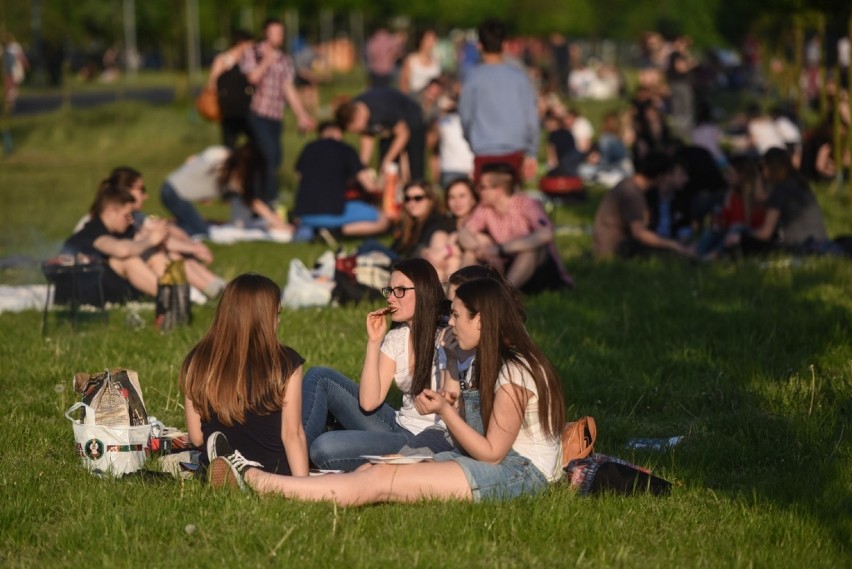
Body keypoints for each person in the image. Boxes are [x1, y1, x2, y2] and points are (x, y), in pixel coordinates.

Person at [208, 277, 566, 505]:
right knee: (367, 471)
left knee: (380, 481)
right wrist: (454, 365)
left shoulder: (514, 371)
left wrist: (442, 411)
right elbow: (460, 418)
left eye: (456, 315)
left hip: (519, 473)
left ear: (482, 321)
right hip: (493, 461)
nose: (450, 322)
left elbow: (490, 453)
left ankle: (256, 480)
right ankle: (263, 477)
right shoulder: (481, 360)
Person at [297, 258, 452, 472]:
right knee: (319, 376)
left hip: (424, 439)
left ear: (424, 291)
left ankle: (296, 463)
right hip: (398, 424)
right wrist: (374, 341)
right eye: (389, 290)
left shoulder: (447, 338)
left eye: (400, 290)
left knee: (324, 447)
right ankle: (290, 455)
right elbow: (369, 402)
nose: (390, 298)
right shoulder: (398, 337)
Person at [181, 273, 308, 477]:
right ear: (265, 319)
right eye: (277, 314)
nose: (279, 321)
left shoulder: (197, 359)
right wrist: (303, 483)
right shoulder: (285, 361)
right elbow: (292, 435)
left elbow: (196, 438)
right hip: (272, 473)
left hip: (214, 471)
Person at [458, 162, 572, 294]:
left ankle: (505, 294)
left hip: (541, 271)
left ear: (499, 190)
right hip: (507, 263)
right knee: (473, 245)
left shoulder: (526, 204)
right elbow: (465, 233)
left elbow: (546, 234)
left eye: (483, 187)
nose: (478, 190)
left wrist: (501, 249)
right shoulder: (485, 208)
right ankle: (460, 290)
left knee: (530, 249)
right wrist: (480, 249)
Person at [241, 18, 315, 207]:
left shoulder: (284, 59)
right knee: (269, 154)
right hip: (257, 113)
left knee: (275, 158)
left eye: (281, 33)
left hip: (276, 115)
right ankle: (267, 198)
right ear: (266, 33)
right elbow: (253, 78)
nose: (279, 36)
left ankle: (257, 196)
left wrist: (301, 115)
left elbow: (289, 89)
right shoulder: (253, 53)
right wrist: (266, 60)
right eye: (275, 32)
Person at [458, 18, 539, 185]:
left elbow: (465, 116)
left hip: (484, 149)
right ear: (505, 45)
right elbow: (531, 117)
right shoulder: (519, 77)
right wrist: (532, 152)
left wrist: (471, 138)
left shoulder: (473, 78)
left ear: (479, 45)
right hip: (515, 148)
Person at [62, 178, 169, 303]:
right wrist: (150, 240)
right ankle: (170, 298)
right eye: (127, 215)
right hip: (81, 291)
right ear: (110, 212)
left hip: (104, 286)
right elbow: (122, 250)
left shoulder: (120, 231)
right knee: (129, 260)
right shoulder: (93, 230)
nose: (130, 220)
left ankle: (179, 295)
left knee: (154, 255)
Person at [159, 145, 289, 238]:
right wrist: (277, 223)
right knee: (199, 231)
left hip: (168, 186)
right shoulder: (234, 177)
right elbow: (253, 202)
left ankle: (172, 223)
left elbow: (191, 160)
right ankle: (164, 229)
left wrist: (199, 189)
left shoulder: (219, 152)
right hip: (174, 194)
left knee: (192, 223)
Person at [292, 121, 389, 239]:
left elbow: (298, 177)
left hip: (304, 215)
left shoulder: (308, 148)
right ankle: (336, 232)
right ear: (339, 133)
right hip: (333, 212)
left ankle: (315, 230)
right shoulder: (346, 150)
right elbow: (370, 187)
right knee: (382, 220)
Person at [592, 151, 694, 259]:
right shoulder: (633, 194)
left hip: (608, 245)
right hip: (615, 248)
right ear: (660, 176)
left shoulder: (628, 185)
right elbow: (640, 233)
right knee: (677, 256)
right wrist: (672, 245)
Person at [728, 147, 828, 255]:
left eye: (762, 167)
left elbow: (765, 233)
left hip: (797, 247)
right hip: (818, 244)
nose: (762, 172)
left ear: (770, 167)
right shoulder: (799, 185)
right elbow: (762, 199)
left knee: (737, 232)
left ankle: (713, 257)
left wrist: (741, 237)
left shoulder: (780, 191)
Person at [335, 87, 426, 182]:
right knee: (386, 165)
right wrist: (360, 168)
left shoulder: (381, 109)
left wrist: (388, 160)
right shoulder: (353, 109)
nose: (357, 132)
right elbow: (367, 137)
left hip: (411, 120)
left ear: (357, 117)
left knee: (414, 163)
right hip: (389, 129)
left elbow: (403, 134)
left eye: (356, 129)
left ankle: (416, 185)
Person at [421, 177, 479, 282]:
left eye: (462, 196)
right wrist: (427, 253)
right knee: (439, 236)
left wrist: (448, 251)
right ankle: (441, 291)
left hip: (473, 271)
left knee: (453, 260)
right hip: (439, 267)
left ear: (473, 199)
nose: (457, 202)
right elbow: (422, 247)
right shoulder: (443, 221)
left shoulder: (481, 221)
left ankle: (449, 292)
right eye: (452, 197)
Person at [207, 29, 255, 149]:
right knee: (229, 144)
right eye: (250, 43)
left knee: (256, 141)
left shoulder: (249, 61)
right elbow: (212, 82)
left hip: (248, 108)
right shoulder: (223, 60)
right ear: (242, 43)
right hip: (229, 109)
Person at [391, 181, 454, 259]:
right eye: (407, 199)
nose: (412, 203)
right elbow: (396, 248)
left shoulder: (438, 221)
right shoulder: (410, 222)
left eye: (418, 198)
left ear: (430, 200)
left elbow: (419, 249)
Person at [399, 28, 442, 95]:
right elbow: (404, 83)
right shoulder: (411, 60)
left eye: (433, 39)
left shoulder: (436, 60)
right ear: (421, 40)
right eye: (428, 39)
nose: (431, 42)